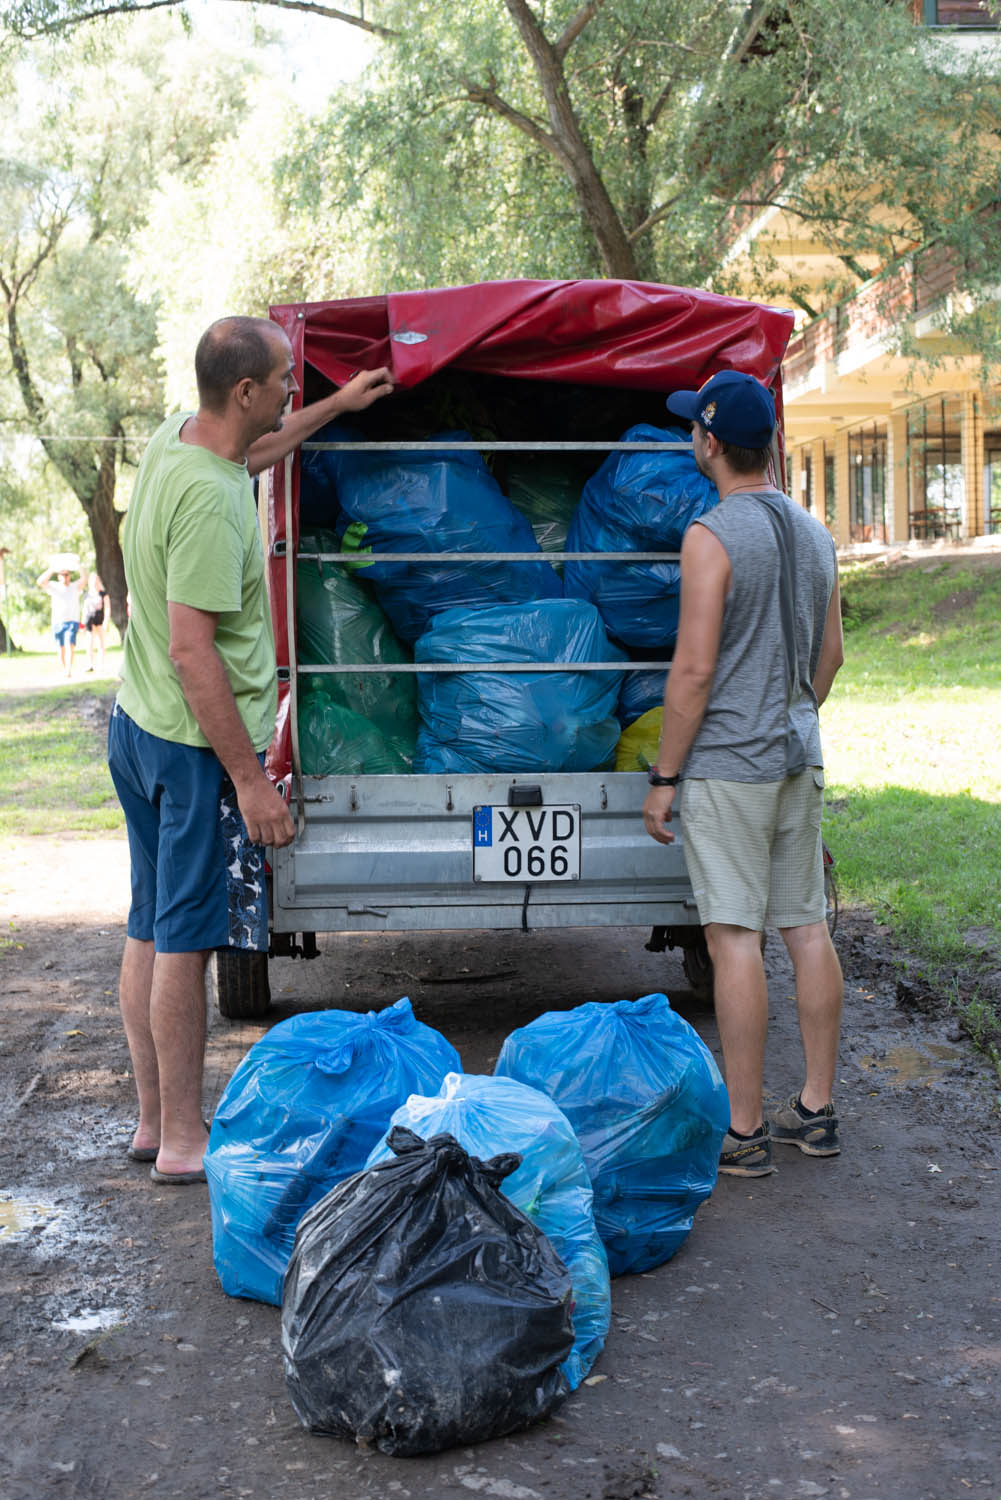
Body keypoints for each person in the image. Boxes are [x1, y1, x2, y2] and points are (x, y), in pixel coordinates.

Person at [108, 314, 393, 1185]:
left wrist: (335, 407)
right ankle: (183, 1139)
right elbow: (193, 651)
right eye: (284, 382)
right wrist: (250, 780)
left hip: (139, 725)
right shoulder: (209, 502)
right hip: (190, 748)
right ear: (244, 391)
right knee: (186, 941)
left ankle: (153, 1122)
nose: (290, 390)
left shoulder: (184, 438)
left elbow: (256, 452)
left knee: (150, 927)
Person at [642, 369, 844, 1179]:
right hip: (798, 756)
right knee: (806, 928)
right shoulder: (815, 532)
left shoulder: (712, 534)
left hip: (730, 766)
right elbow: (831, 656)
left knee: (732, 938)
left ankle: (746, 1130)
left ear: (710, 443)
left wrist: (664, 777)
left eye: (694, 429)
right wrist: (791, 713)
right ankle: (816, 1111)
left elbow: (693, 672)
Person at [36, 562, 85, 676]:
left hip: (72, 621)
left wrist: (79, 566)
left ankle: (68, 670)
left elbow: (84, 579)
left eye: (67, 574)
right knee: (61, 649)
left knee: (70, 645)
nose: (65, 577)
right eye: (62, 574)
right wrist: (52, 569)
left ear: (70, 575)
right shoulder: (54, 586)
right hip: (57, 622)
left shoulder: (74, 586)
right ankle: (65, 668)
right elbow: (40, 582)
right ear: (58, 576)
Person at [81, 571, 110, 673]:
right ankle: (90, 664)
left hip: (100, 620)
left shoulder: (103, 594)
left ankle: (101, 665)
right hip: (89, 620)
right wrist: (82, 624)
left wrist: (106, 621)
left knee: (101, 643)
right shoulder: (86, 595)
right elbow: (84, 610)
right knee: (89, 643)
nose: (94, 582)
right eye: (92, 580)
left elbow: (107, 608)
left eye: (95, 580)